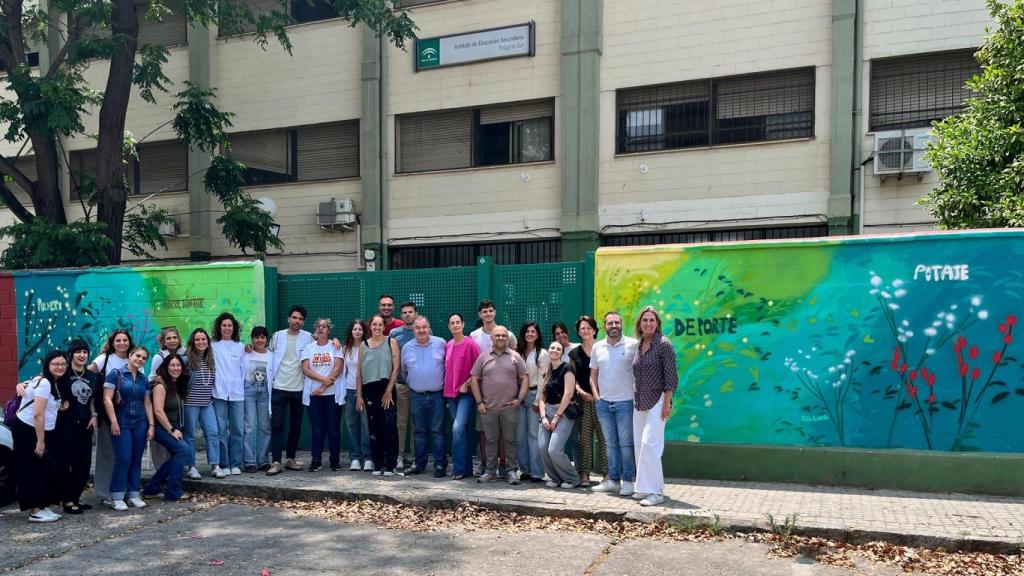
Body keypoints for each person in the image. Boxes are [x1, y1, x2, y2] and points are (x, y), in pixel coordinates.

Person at [469, 325, 528, 485]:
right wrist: (479, 402)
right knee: (490, 440)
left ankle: (511, 471)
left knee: (510, 440)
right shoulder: (483, 357)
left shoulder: (515, 356)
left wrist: (519, 399)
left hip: (510, 407)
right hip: (488, 408)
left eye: (503, 335)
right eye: (497, 335)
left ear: (508, 338)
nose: (501, 338)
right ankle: (490, 472)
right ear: (491, 338)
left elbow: (524, 378)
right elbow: (474, 379)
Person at [631, 306, 678, 507]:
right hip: (639, 400)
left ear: (657, 323)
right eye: (645, 320)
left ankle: (656, 492)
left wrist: (667, 402)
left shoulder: (664, 344)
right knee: (640, 446)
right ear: (640, 325)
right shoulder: (639, 344)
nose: (648, 323)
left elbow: (671, 377)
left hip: (658, 400)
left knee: (650, 445)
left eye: (652, 320)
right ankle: (644, 488)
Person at [12, 351, 66, 522]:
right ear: (47, 365)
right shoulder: (44, 383)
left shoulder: (52, 382)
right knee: (32, 469)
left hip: (40, 429)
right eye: (55, 364)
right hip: (29, 429)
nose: (60, 367)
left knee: (43, 468)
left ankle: (42, 505)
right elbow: (38, 414)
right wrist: (40, 441)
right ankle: (35, 511)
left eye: (63, 364)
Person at [590, 311, 639, 497]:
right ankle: (613, 481)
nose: (613, 326)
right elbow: (593, 375)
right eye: (610, 323)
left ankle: (628, 481)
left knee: (626, 444)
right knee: (610, 444)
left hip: (626, 403)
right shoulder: (598, 347)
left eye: (616, 322)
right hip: (604, 404)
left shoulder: (633, 345)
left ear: (622, 324)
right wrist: (597, 397)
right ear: (604, 326)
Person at [103, 346, 155, 511]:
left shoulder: (143, 378)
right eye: (137, 356)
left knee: (136, 459)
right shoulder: (116, 374)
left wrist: (151, 425)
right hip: (122, 421)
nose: (140, 359)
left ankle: (133, 494)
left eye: (143, 358)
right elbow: (106, 399)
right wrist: (113, 421)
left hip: (140, 422)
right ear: (130, 356)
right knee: (124, 458)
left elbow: (147, 403)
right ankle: (117, 495)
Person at [469, 300, 517, 476]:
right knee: (484, 431)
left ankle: (504, 464)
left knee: (505, 432)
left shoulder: (508, 334)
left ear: (495, 312)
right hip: (482, 390)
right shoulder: (474, 335)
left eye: (490, 311)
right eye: (484, 311)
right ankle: (485, 465)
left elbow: (514, 358)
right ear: (480, 315)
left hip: (504, 391)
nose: (488, 314)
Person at [87, 329, 134, 504]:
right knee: (107, 454)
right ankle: (104, 492)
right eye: (118, 340)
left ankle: (123, 490)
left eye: (125, 340)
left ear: (130, 342)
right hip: (108, 414)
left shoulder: (134, 359)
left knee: (125, 455)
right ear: (112, 343)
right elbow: (87, 377)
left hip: (128, 414)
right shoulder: (103, 359)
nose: (122, 343)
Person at [266, 305, 313, 476]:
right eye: (294, 318)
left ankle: (291, 458)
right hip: (279, 387)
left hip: (299, 388)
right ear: (288, 319)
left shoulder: (308, 337)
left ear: (303, 321)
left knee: (296, 425)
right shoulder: (277, 337)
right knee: (277, 425)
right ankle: (276, 461)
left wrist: (336, 341)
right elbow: (266, 354)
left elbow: (323, 343)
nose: (297, 321)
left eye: (300, 319)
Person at [54, 340, 98, 514]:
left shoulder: (92, 376)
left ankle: (76, 498)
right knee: (66, 464)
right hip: (65, 426)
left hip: (85, 425)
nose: (82, 355)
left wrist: (94, 415)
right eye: (78, 352)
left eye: (85, 352)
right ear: (71, 354)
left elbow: (92, 399)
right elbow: (45, 383)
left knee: (83, 465)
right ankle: (67, 501)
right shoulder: (63, 373)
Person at [401, 315, 447, 477]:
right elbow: (404, 372)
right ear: (413, 330)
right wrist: (416, 384)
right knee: (419, 432)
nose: (421, 330)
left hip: (437, 396)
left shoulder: (441, 343)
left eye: (424, 327)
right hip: (416, 396)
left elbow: (447, 367)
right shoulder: (406, 347)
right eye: (417, 328)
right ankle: (419, 464)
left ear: (429, 327)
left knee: (437, 431)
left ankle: (440, 465)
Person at [355, 314, 401, 476]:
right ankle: (377, 463)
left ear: (384, 326)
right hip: (369, 390)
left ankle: (390, 464)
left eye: (380, 324)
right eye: (374, 324)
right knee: (373, 427)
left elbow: (396, 368)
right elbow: (359, 372)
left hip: (386, 388)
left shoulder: (391, 342)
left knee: (388, 426)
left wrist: (389, 390)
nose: (377, 327)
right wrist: (359, 395)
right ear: (370, 326)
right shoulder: (363, 345)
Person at [143, 355, 190, 501]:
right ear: (166, 367)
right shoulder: (160, 385)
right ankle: (173, 491)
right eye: (172, 365)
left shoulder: (175, 383)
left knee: (179, 454)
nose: (176, 368)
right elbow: (158, 410)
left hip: (170, 427)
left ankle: (152, 488)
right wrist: (171, 430)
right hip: (158, 427)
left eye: (178, 365)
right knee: (183, 450)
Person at [301, 319, 344, 472]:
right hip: (314, 395)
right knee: (317, 429)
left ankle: (334, 461)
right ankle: (316, 460)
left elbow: (338, 368)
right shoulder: (308, 348)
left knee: (333, 429)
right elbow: (305, 370)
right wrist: (323, 382)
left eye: (324, 326)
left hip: (332, 394)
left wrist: (325, 386)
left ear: (329, 330)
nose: (320, 328)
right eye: (318, 326)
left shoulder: (335, 346)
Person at [570, 315, 607, 488]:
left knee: (604, 437)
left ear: (594, 330)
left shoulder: (603, 348)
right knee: (584, 438)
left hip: (604, 399)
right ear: (578, 331)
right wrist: (580, 391)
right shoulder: (574, 353)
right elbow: (573, 377)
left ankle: (608, 474)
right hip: (584, 399)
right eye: (582, 328)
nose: (585, 331)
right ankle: (584, 474)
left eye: (588, 327)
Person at [538, 341, 580, 489]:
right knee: (542, 447)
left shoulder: (567, 368)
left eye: (558, 349)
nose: (555, 350)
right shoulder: (547, 370)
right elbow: (542, 397)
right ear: (548, 351)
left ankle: (572, 479)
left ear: (562, 353)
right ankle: (555, 478)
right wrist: (543, 417)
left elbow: (568, 394)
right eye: (552, 348)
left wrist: (556, 416)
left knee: (554, 449)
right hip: (547, 411)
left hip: (563, 411)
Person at [183, 328, 223, 479]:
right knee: (190, 435)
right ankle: (192, 467)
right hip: (190, 404)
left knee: (213, 433)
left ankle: (215, 466)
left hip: (207, 403)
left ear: (208, 341)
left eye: (203, 339)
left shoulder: (211, 358)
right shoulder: (187, 359)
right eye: (197, 339)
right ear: (193, 342)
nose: (201, 342)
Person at [444, 313, 480, 480]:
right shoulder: (448, 345)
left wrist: (466, 384)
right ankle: (467, 469)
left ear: (463, 324)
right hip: (451, 394)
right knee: (461, 431)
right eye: (452, 323)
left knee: (457, 428)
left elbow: (478, 369)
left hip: (466, 394)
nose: (455, 325)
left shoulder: (470, 344)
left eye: (458, 322)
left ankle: (458, 468)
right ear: (449, 327)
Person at [211, 312, 246, 476]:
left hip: (237, 393)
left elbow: (244, 369)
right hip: (218, 393)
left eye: (229, 325)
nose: (227, 328)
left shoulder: (241, 346)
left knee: (238, 429)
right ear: (219, 327)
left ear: (234, 328)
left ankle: (236, 463)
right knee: (221, 429)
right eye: (224, 325)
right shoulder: (212, 346)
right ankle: (224, 463)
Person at [515, 322, 548, 482]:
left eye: (533, 331)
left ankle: (537, 471)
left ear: (537, 334)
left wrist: (538, 400)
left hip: (535, 393)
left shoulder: (542, 354)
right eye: (527, 331)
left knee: (533, 434)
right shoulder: (517, 352)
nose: (530, 334)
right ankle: (525, 469)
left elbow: (544, 378)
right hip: (519, 395)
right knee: (520, 434)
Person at [388, 301, 418, 470]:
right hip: (400, 384)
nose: (407, 314)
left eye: (410, 312)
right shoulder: (394, 333)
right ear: (401, 315)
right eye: (405, 312)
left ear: (415, 313)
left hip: (419, 386)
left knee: (416, 423)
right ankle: (399, 456)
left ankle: (414, 456)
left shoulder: (422, 330)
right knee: (401, 422)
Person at [340, 319, 372, 471]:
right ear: (351, 331)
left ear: (364, 331)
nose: (357, 332)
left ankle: (368, 458)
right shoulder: (345, 349)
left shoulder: (368, 347)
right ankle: (355, 458)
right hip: (349, 390)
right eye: (355, 329)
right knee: (352, 425)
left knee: (366, 425)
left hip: (365, 391)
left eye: (360, 329)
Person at [243, 326, 274, 472]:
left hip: (265, 393)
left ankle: (263, 460)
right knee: (249, 426)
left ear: (266, 339)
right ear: (252, 339)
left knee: (265, 427)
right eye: (256, 337)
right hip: (248, 391)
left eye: (262, 337)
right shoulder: (245, 353)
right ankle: (249, 461)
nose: (259, 340)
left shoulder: (271, 355)